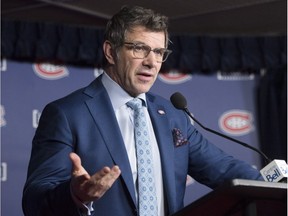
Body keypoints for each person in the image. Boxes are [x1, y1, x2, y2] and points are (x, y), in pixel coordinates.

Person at [22, 5, 263, 216]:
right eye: (139, 48)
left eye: (159, 52)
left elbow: (224, 169)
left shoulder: (172, 115)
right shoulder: (67, 114)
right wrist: (75, 194)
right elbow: (35, 202)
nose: (151, 62)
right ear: (110, 52)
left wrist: (277, 185)